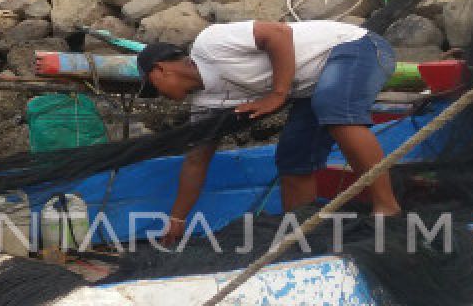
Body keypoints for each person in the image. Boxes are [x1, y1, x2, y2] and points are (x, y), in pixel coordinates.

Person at [137, 20, 400, 244]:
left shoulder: (210, 44)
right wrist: (177, 219)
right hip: (310, 88)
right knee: (293, 157)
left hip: (356, 48)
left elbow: (278, 34)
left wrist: (277, 94)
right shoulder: (205, 105)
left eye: (154, 88)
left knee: (333, 106)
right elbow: (196, 159)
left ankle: (387, 209)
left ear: (161, 69)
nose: (161, 97)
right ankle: (301, 235)